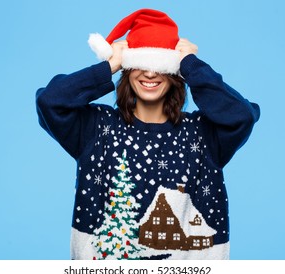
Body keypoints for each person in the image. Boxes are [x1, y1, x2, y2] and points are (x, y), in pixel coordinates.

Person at [36, 9, 260, 260]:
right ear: (128, 68)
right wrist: (108, 66)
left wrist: (192, 66)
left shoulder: (202, 134)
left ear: (174, 72)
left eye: (159, 65)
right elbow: (49, 102)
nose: (150, 74)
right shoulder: (97, 128)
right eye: (141, 64)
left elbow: (243, 116)